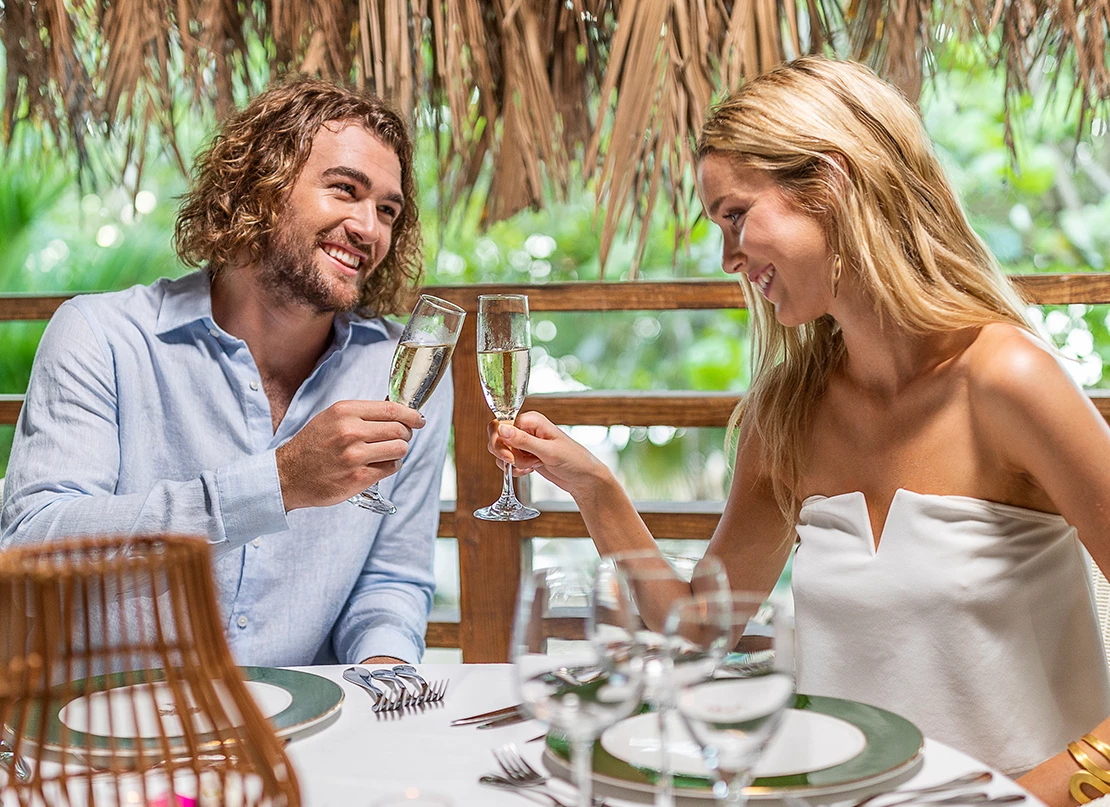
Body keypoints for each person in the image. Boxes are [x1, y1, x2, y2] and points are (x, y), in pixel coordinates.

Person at [489, 56, 1110, 781]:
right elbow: (698, 630)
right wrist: (596, 489)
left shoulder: (1007, 380)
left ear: (830, 185)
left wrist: (1066, 779)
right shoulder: (786, 414)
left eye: (736, 215)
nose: (727, 256)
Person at [0, 75, 452, 668]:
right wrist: (277, 484)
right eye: (345, 190)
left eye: (387, 210)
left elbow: (391, 581)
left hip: (307, 737)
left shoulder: (400, 371)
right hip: (112, 730)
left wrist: (382, 674)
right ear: (256, 191)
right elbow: (33, 545)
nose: (371, 228)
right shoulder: (102, 336)